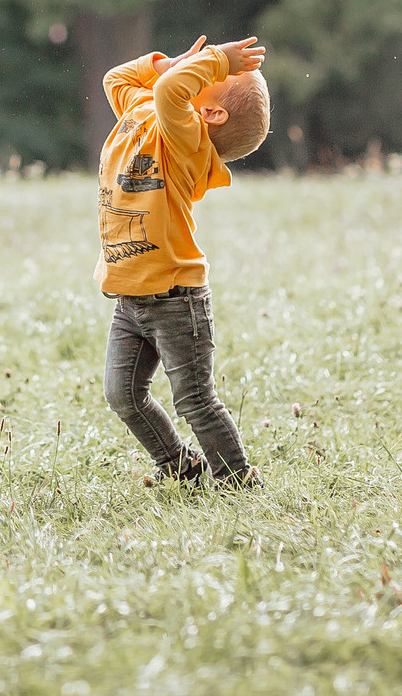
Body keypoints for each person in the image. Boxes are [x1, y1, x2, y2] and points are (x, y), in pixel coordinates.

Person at [96, 34, 269, 488]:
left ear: (209, 115)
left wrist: (218, 60)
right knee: (123, 396)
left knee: (194, 399)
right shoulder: (146, 116)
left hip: (176, 298)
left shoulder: (186, 142)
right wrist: (167, 61)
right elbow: (116, 78)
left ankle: (237, 480)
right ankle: (178, 465)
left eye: (211, 77)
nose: (199, 70)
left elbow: (170, 90)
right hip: (129, 296)